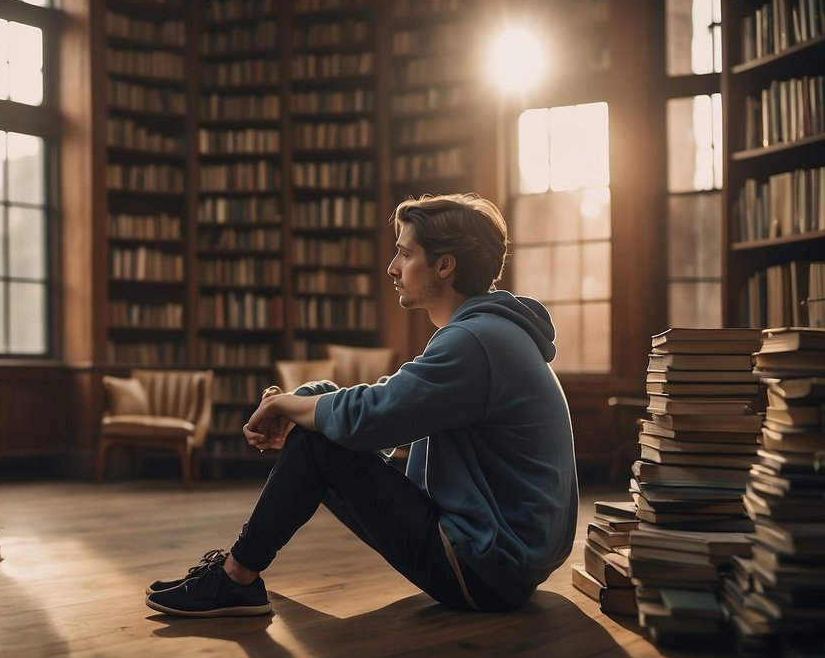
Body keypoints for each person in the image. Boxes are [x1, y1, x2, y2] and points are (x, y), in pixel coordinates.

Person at [145, 192, 579, 617]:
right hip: (502, 561)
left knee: (318, 444)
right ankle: (234, 577)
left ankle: (236, 578)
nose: (392, 268)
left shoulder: (474, 341)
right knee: (324, 423)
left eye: (405, 255)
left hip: (485, 567)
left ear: (445, 266)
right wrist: (299, 403)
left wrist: (293, 408)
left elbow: (371, 419)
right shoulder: (490, 334)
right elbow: (381, 416)